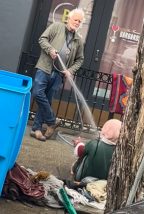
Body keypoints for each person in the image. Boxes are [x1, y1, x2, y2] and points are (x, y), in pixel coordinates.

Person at [30, 9, 85, 141]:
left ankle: (36, 129)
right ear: (69, 19)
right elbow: (42, 39)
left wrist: (70, 70)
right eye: (75, 19)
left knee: (47, 100)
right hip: (45, 68)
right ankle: (51, 121)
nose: (77, 23)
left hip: (59, 74)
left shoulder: (78, 40)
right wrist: (50, 50)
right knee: (37, 93)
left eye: (79, 21)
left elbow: (80, 59)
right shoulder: (56, 27)